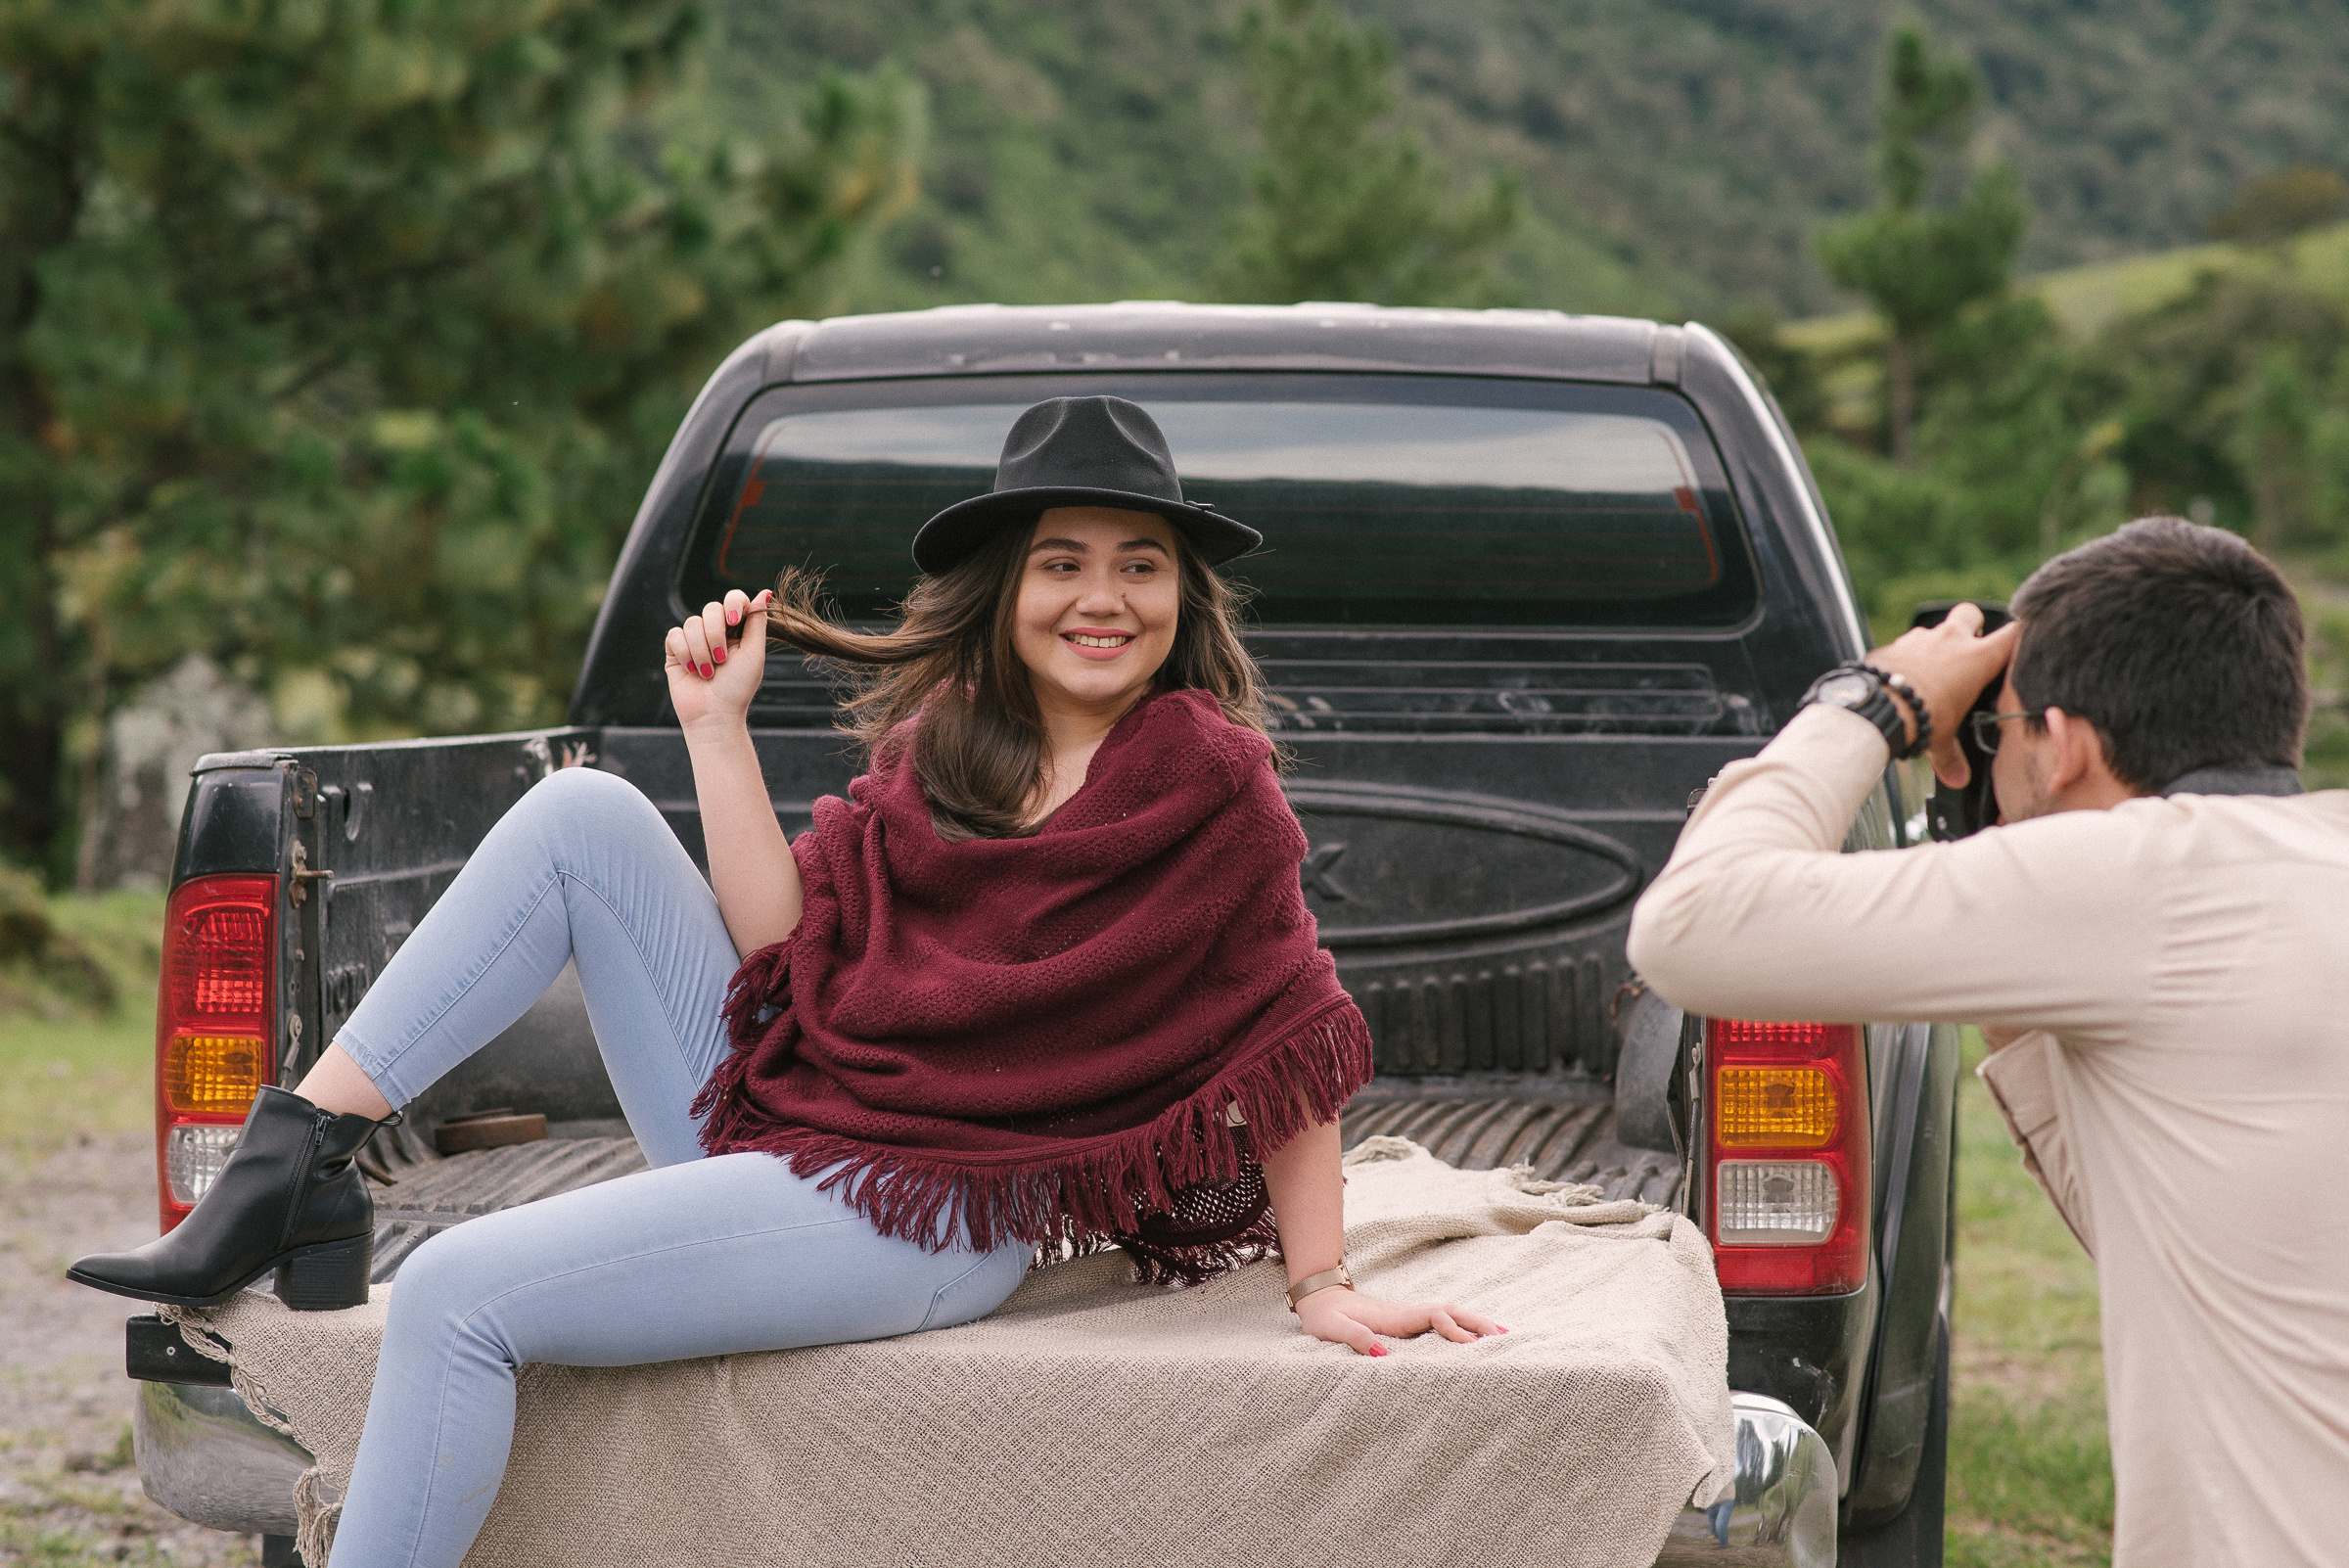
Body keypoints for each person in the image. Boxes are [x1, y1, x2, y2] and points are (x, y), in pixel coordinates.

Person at [69, 395, 1501, 1567]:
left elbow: (1292, 1037)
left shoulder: (1213, 788)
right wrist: (716, 727)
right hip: (814, 1113)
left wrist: (1320, 1282)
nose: (1101, 596)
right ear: (1008, 591)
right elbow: (780, 951)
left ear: (1183, 595)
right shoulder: (956, 744)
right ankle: (300, 1152)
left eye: (1140, 561)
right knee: (586, 818)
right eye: (1062, 559)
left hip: (936, 1206)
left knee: (453, 1290)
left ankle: (296, 1191)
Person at [1625, 516, 2349, 1567]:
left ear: (2068, 747)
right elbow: (2162, 1222)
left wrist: (1873, 702)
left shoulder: (2134, 878)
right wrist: (1997, 839)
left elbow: (1688, 927)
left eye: (2002, 727)